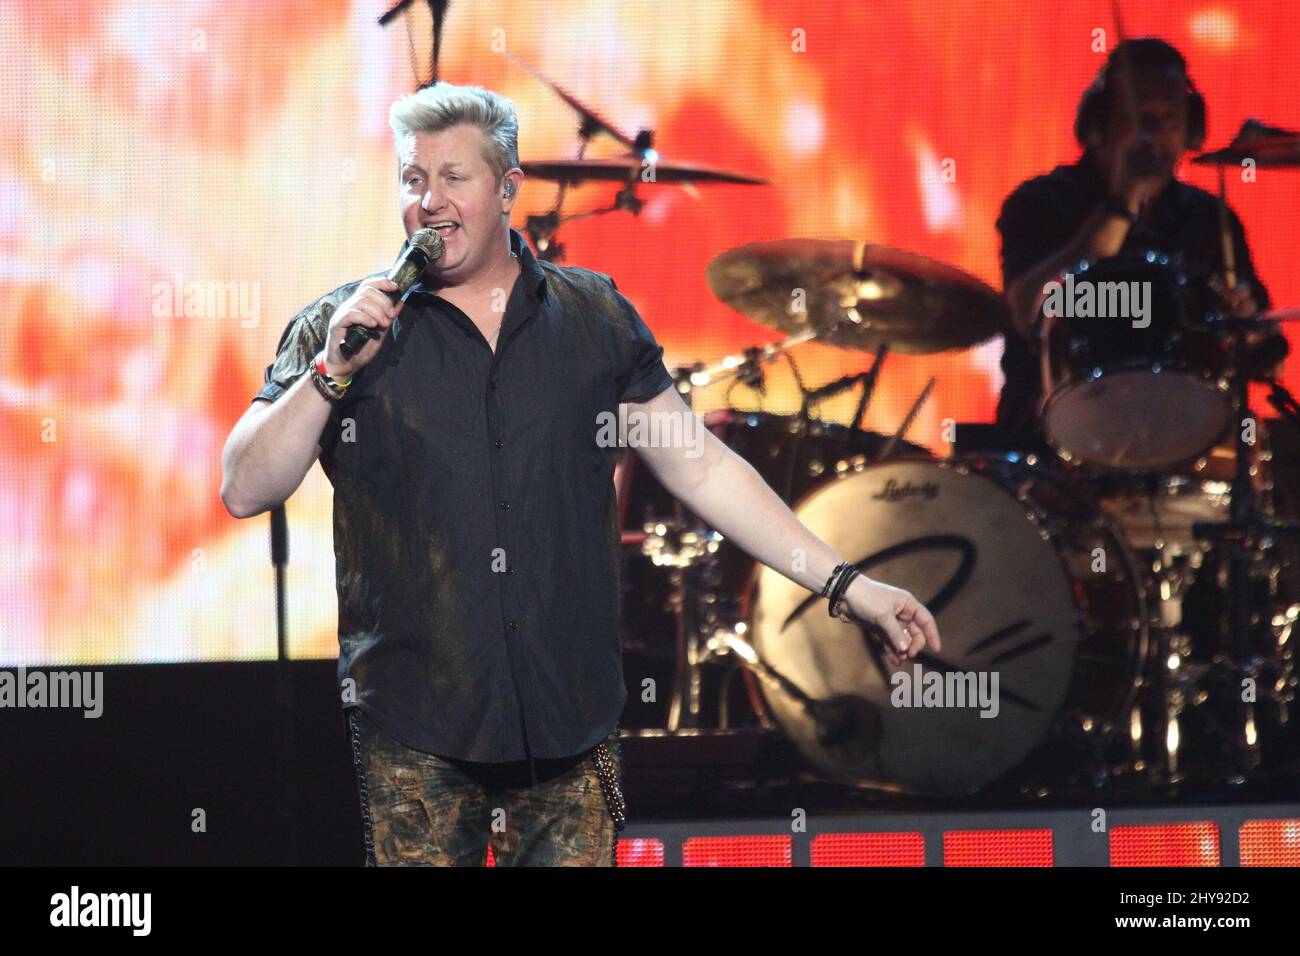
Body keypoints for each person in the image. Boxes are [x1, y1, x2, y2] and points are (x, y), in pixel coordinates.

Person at [220, 82, 940, 866]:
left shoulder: (594, 320)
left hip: (570, 724)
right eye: (412, 179)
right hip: (415, 731)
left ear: (507, 188)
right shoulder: (346, 329)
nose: (429, 201)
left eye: (453, 177)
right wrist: (330, 372)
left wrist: (851, 586)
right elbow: (245, 486)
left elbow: (705, 469)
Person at [995, 37, 1271, 448]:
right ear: (1098, 125)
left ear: (1190, 131)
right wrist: (1121, 205)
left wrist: (1248, 327)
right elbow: (1027, 310)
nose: (1154, 133)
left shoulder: (1211, 219)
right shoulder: (1038, 203)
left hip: (1180, 439)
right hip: (1048, 441)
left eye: (1169, 118)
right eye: (1137, 117)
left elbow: (1267, 351)